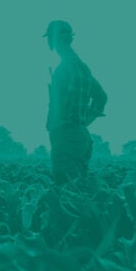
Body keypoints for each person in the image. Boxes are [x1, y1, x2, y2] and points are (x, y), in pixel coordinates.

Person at [44, 20, 108, 184]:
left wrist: (63, 124)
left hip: (66, 135)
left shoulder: (63, 69)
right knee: (80, 188)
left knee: (66, 189)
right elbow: (101, 96)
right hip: (81, 135)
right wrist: (85, 121)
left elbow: (59, 107)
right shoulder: (82, 68)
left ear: (54, 40)